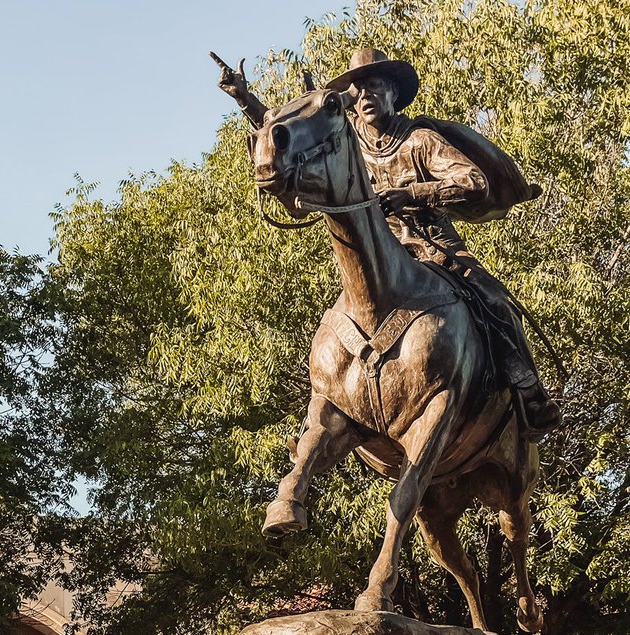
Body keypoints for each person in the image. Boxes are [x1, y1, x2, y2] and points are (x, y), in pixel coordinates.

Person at [215, 47, 562, 440]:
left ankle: (529, 392)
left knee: (495, 300)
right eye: (359, 89)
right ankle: (322, 416)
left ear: (393, 93)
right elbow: (290, 135)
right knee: (343, 321)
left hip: (434, 247)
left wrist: (413, 194)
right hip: (379, 255)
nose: (365, 96)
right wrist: (245, 99)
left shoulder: (419, 140)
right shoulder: (347, 140)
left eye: (375, 86)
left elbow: (473, 182)